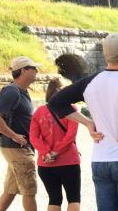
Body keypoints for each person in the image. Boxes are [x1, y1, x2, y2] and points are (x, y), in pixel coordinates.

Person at [49, 33, 118, 211]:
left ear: (106, 56)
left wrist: (88, 123)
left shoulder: (89, 82)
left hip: (101, 159)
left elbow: (55, 103)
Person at [0, 56, 40, 211]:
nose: (37, 71)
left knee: (11, 190)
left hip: (16, 147)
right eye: (34, 68)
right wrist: (14, 135)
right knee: (29, 189)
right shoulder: (12, 91)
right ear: (23, 70)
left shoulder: (21, 91)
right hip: (16, 147)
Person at [29, 79, 81, 211]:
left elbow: (33, 137)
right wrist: (56, 151)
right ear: (61, 91)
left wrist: (46, 152)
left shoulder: (39, 111)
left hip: (46, 163)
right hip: (68, 161)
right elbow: (70, 136)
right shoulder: (72, 110)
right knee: (73, 198)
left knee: (54, 199)